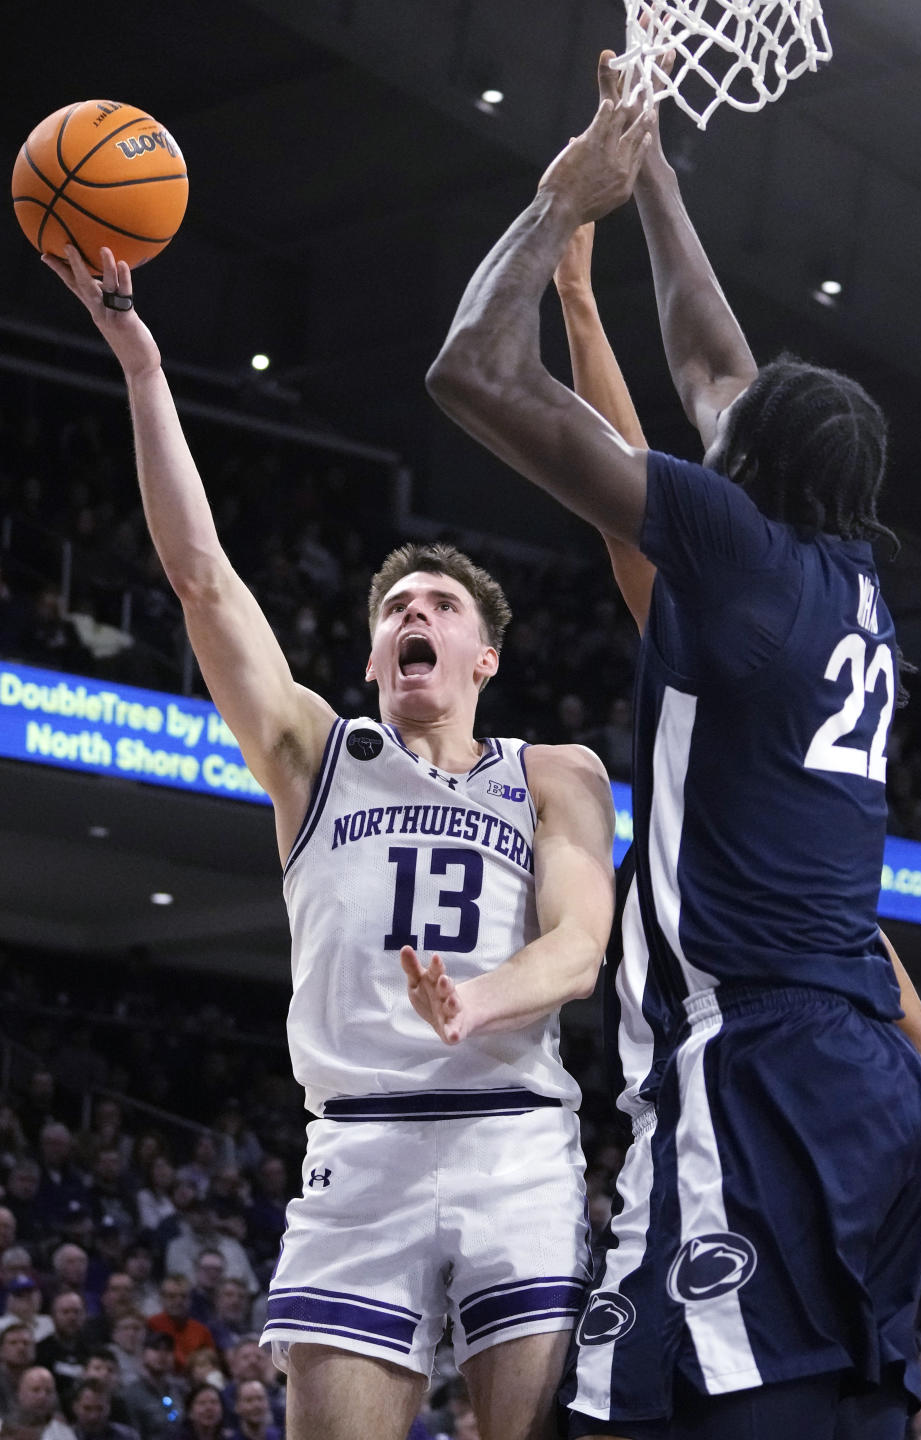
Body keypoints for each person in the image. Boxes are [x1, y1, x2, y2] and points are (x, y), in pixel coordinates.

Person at [426, 49, 921, 1440]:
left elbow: (474, 372)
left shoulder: (736, 550)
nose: (715, 411)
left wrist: (566, 194)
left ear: (740, 479)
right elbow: (719, 365)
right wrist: (654, 164)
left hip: (759, 1076)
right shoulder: (847, 574)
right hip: (870, 1090)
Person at [42, 242, 617, 1440]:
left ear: (485, 659)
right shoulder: (317, 755)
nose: (415, 614)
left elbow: (580, 947)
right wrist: (142, 362)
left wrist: (477, 999)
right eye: (395, 609)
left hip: (513, 1136)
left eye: (441, 607)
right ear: (369, 660)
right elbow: (201, 582)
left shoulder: (555, 775)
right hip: (358, 1153)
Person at [120, 1332, 185, 1440]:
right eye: (156, 1349)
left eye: (167, 1350)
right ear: (143, 1354)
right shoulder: (131, 1394)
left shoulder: (181, 1389)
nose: (162, 1354)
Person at [70, 1378, 139, 1440]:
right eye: (87, 1409)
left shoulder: (127, 1436)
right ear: (75, 1407)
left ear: (109, 1407)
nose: (93, 1416)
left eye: (100, 1409)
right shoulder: (63, 1436)